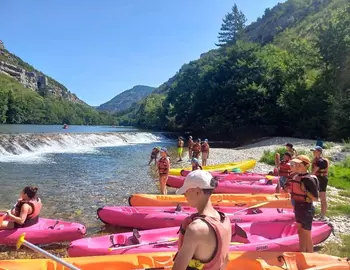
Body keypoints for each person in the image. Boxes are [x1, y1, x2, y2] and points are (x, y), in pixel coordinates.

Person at [172, 170, 231, 270]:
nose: (184, 195)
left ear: (197, 191)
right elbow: (226, 258)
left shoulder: (196, 229)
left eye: (186, 191)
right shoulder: (225, 220)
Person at [286, 155, 319, 253]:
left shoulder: (309, 179)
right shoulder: (295, 176)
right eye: (295, 164)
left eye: (299, 164)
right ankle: (305, 253)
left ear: (306, 165)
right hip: (298, 206)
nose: (296, 165)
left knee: (306, 234)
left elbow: (315, 198)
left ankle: (306, 254)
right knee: (301, 232)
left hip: (306, 208)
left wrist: (305, 190)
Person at [310, 146, 329, 220]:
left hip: (322, 179)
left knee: (322, 197)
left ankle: (323, 215)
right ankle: (320, 214)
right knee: (317, 196)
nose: (313, 152)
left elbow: (313, 172)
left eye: (315, 151)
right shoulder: (316, 160)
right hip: (317, 178)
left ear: (319, 152)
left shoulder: (321, 161)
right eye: (313, 151)